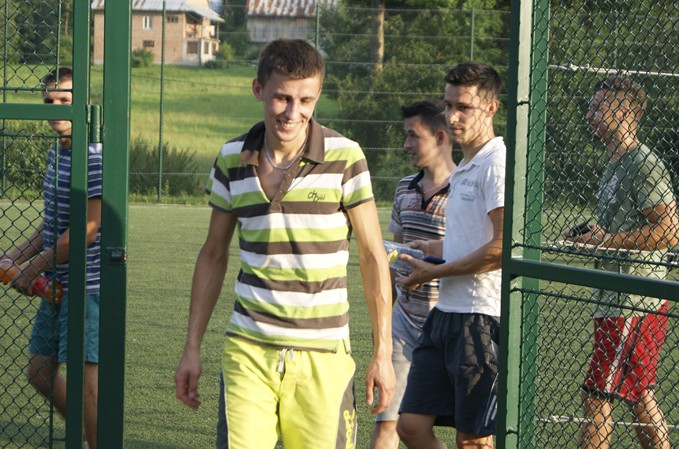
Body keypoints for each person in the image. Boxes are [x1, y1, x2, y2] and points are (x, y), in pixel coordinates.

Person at [173, 39, 395, 449]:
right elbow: (213, 254)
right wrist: (192, 347)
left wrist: (383, 352)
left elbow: (372, 255)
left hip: (324, 355)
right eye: (282, 98)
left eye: (305, 100)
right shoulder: (231, 158)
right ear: (258, 89)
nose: (293, 113)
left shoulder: (346, 157)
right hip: (248, 350)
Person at [394, 62, 505, 449]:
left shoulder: (495, 164)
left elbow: (502, 248)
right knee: (410, 426)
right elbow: (473, 237)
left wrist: (434, 273)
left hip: (480, 317)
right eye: (448, 105)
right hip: (446, 315)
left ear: (490, 108)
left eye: (464, 107)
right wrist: (432, 249)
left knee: (473, 441)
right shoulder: (465, 167)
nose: (453, 116)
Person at [567, 76, 679, 449]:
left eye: (597, 107)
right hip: (617, 298)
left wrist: (608, 241)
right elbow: (619, 228)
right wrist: (594, 235)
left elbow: (668, 230)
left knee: (597, 394)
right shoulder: (616, 163)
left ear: (624, 111)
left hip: (633, 300)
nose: (589, 114)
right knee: (638, 395)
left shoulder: (644, 164)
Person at [1, 67, 102, 449]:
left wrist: (31, 268)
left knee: (86, 383)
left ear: (83, 103)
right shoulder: (56, 152)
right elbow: (52, 222)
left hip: (86, 288)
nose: (56, 109)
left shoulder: (92, 155)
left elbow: (86, 229)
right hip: (55, 285)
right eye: (49, 101)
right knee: (40, 373)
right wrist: (14, 255)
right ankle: (85, 433)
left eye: (64, 100)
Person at [370, 100, 456, 449]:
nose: (406, 144)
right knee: (387, 425)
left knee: (473, 436)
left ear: (440, 137)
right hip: (404, 325)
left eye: (413, 136)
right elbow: (396, 257)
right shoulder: (404, 187)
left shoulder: (466, 190)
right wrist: (384, 324)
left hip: (451, 325)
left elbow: (479, 256)